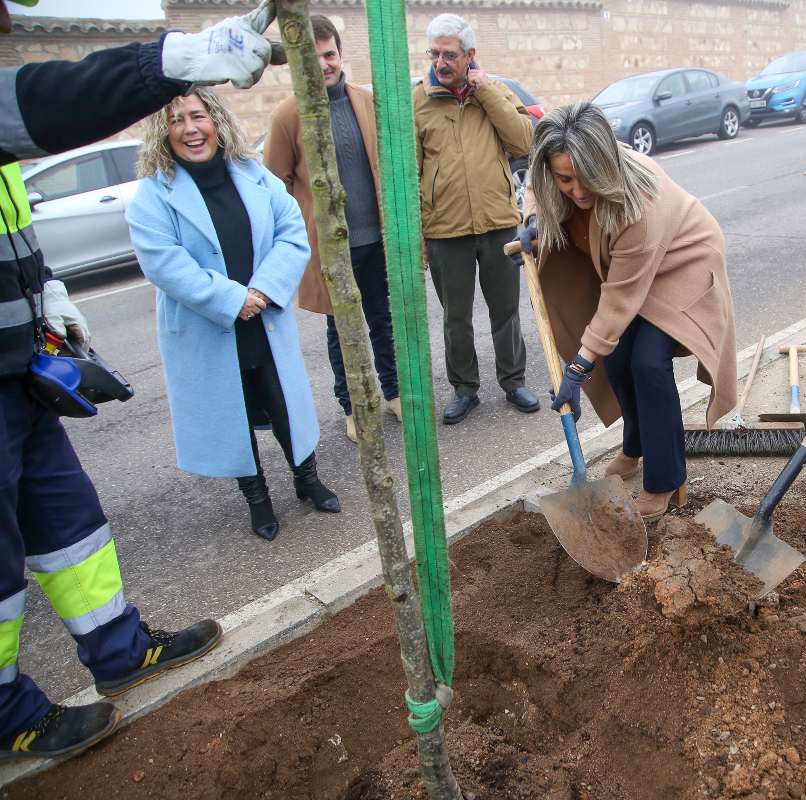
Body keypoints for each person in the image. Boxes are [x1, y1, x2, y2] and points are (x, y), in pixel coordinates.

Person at [0, 0, 276, 761]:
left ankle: (119, 651)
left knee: (72, 526)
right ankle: (5, 716)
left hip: (20, 370)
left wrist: (42, 289)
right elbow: (47, 101)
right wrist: (169, 61)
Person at [129, 89, 340, 543]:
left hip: (263, 318)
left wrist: (262, 289)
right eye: (175, 120)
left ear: (217, 121)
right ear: (162, 133)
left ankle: (308, 480)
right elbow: (164, 262)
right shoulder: (153, 195)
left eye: (197, 116)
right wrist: (231, 299)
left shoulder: (252, 174)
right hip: (213, 326)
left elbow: (290, 232)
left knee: (282, 402)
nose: (189, 128)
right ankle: (257, 497)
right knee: (235, 410)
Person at [518, 103, 737, 520]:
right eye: (566, 180)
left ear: (604, 163)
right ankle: (635, 445)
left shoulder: (638, 204)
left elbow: (619, 300)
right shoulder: (556, 165)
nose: (579, 192)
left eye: (587, 179)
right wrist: (533, 220)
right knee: (616, 357)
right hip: (635, 269)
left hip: (683, 262)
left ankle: (665, 480)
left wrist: (577, 370)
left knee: (648, 362)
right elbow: (536, 181)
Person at [264, 15, 397, 443]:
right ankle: (354, 407)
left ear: (340, 54)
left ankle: (393, 393)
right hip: (330, 249)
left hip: (374, 240)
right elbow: (276, 180)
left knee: (381, 319)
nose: (324, 65)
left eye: (330, 55)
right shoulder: (289, 115)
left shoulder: (363, 101)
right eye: (313, 57)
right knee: (341, 331)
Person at [413, 13, 540, 425]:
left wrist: (486, 92)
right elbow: (409, 173)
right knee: (456, 317)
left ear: (470, 55)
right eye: (434, 54)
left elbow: (523, 140)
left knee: (505, 310)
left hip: (498, 222)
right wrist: (418, 236)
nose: (440, 62)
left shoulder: (495, 92)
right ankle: (465, 388)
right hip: (445, 230)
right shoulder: (419, 101)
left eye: (449, 54)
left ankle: (513, 380)